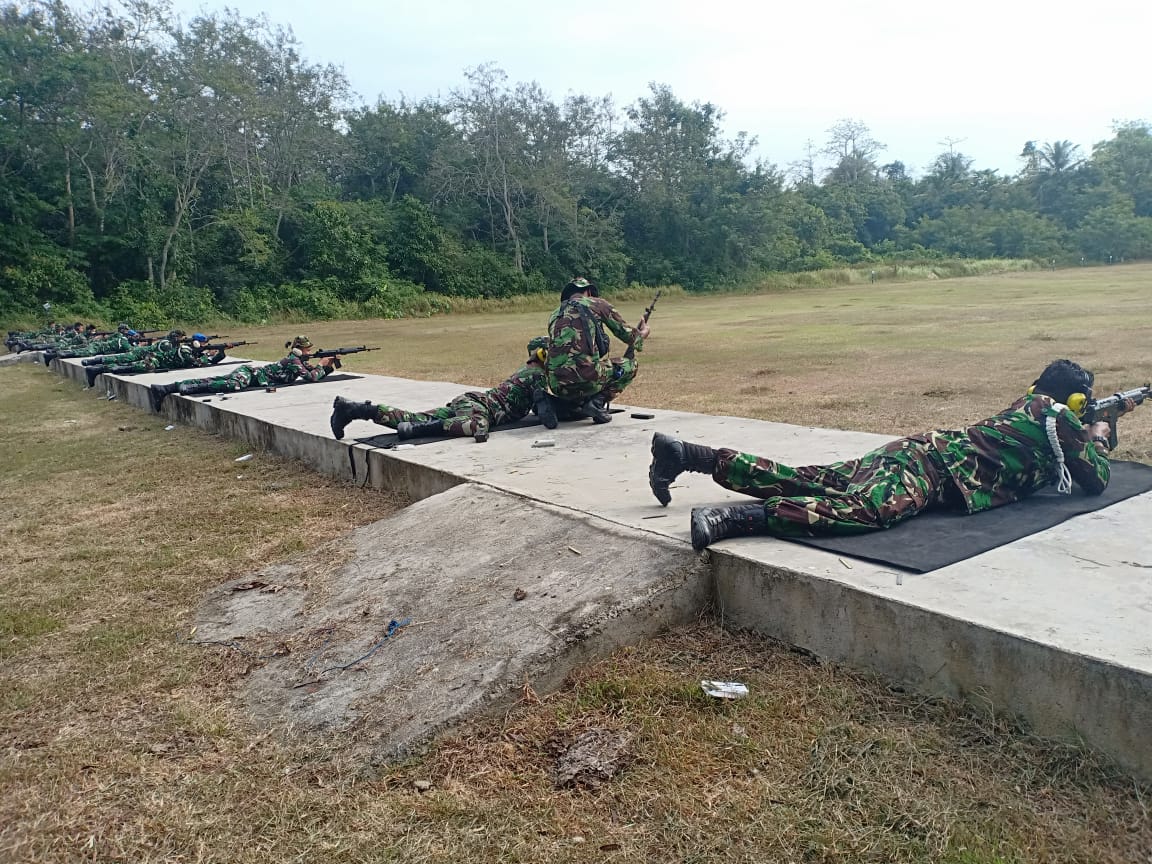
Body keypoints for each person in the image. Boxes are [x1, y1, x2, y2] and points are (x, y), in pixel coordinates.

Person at [647, 359, 1130, 551]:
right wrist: (1101, 432)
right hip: (933, 471)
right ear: (1074, 403)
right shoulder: (1061, 421)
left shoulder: (1030, 406)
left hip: (916, 450)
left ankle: (692, 455)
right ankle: (736, 521)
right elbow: (1097, 479)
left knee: (813, 479)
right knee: (868, 511)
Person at [329, 337, 548, 443]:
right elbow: (543, 410)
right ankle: (416, 430)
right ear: (542, 355)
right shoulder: (536, 374)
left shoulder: (527, 371)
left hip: (471, 402)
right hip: (478, 406)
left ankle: (356, 410)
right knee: (479, 425)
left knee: (413, 417)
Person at [536, 277, 648, 428]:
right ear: (588, 291)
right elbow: (629, 336)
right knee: (630, 365)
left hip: (556, 384)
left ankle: (553, 402)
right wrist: (641, 335)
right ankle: (596, 403)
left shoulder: (555, 314)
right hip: (588, 377)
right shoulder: (598, 304)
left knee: (577, 403)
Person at [147, 335, 336, 412]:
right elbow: (311, 378)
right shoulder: (293, 360)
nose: (309, 352)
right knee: (232, 385)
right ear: (298, 350)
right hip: (251, 374)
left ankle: (167, 388)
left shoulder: (298, 361)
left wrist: (329, 365)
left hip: (252, 375)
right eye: (307, 350)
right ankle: (188, 387)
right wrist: (321, 363)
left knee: (216, 379)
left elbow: (313, 374)